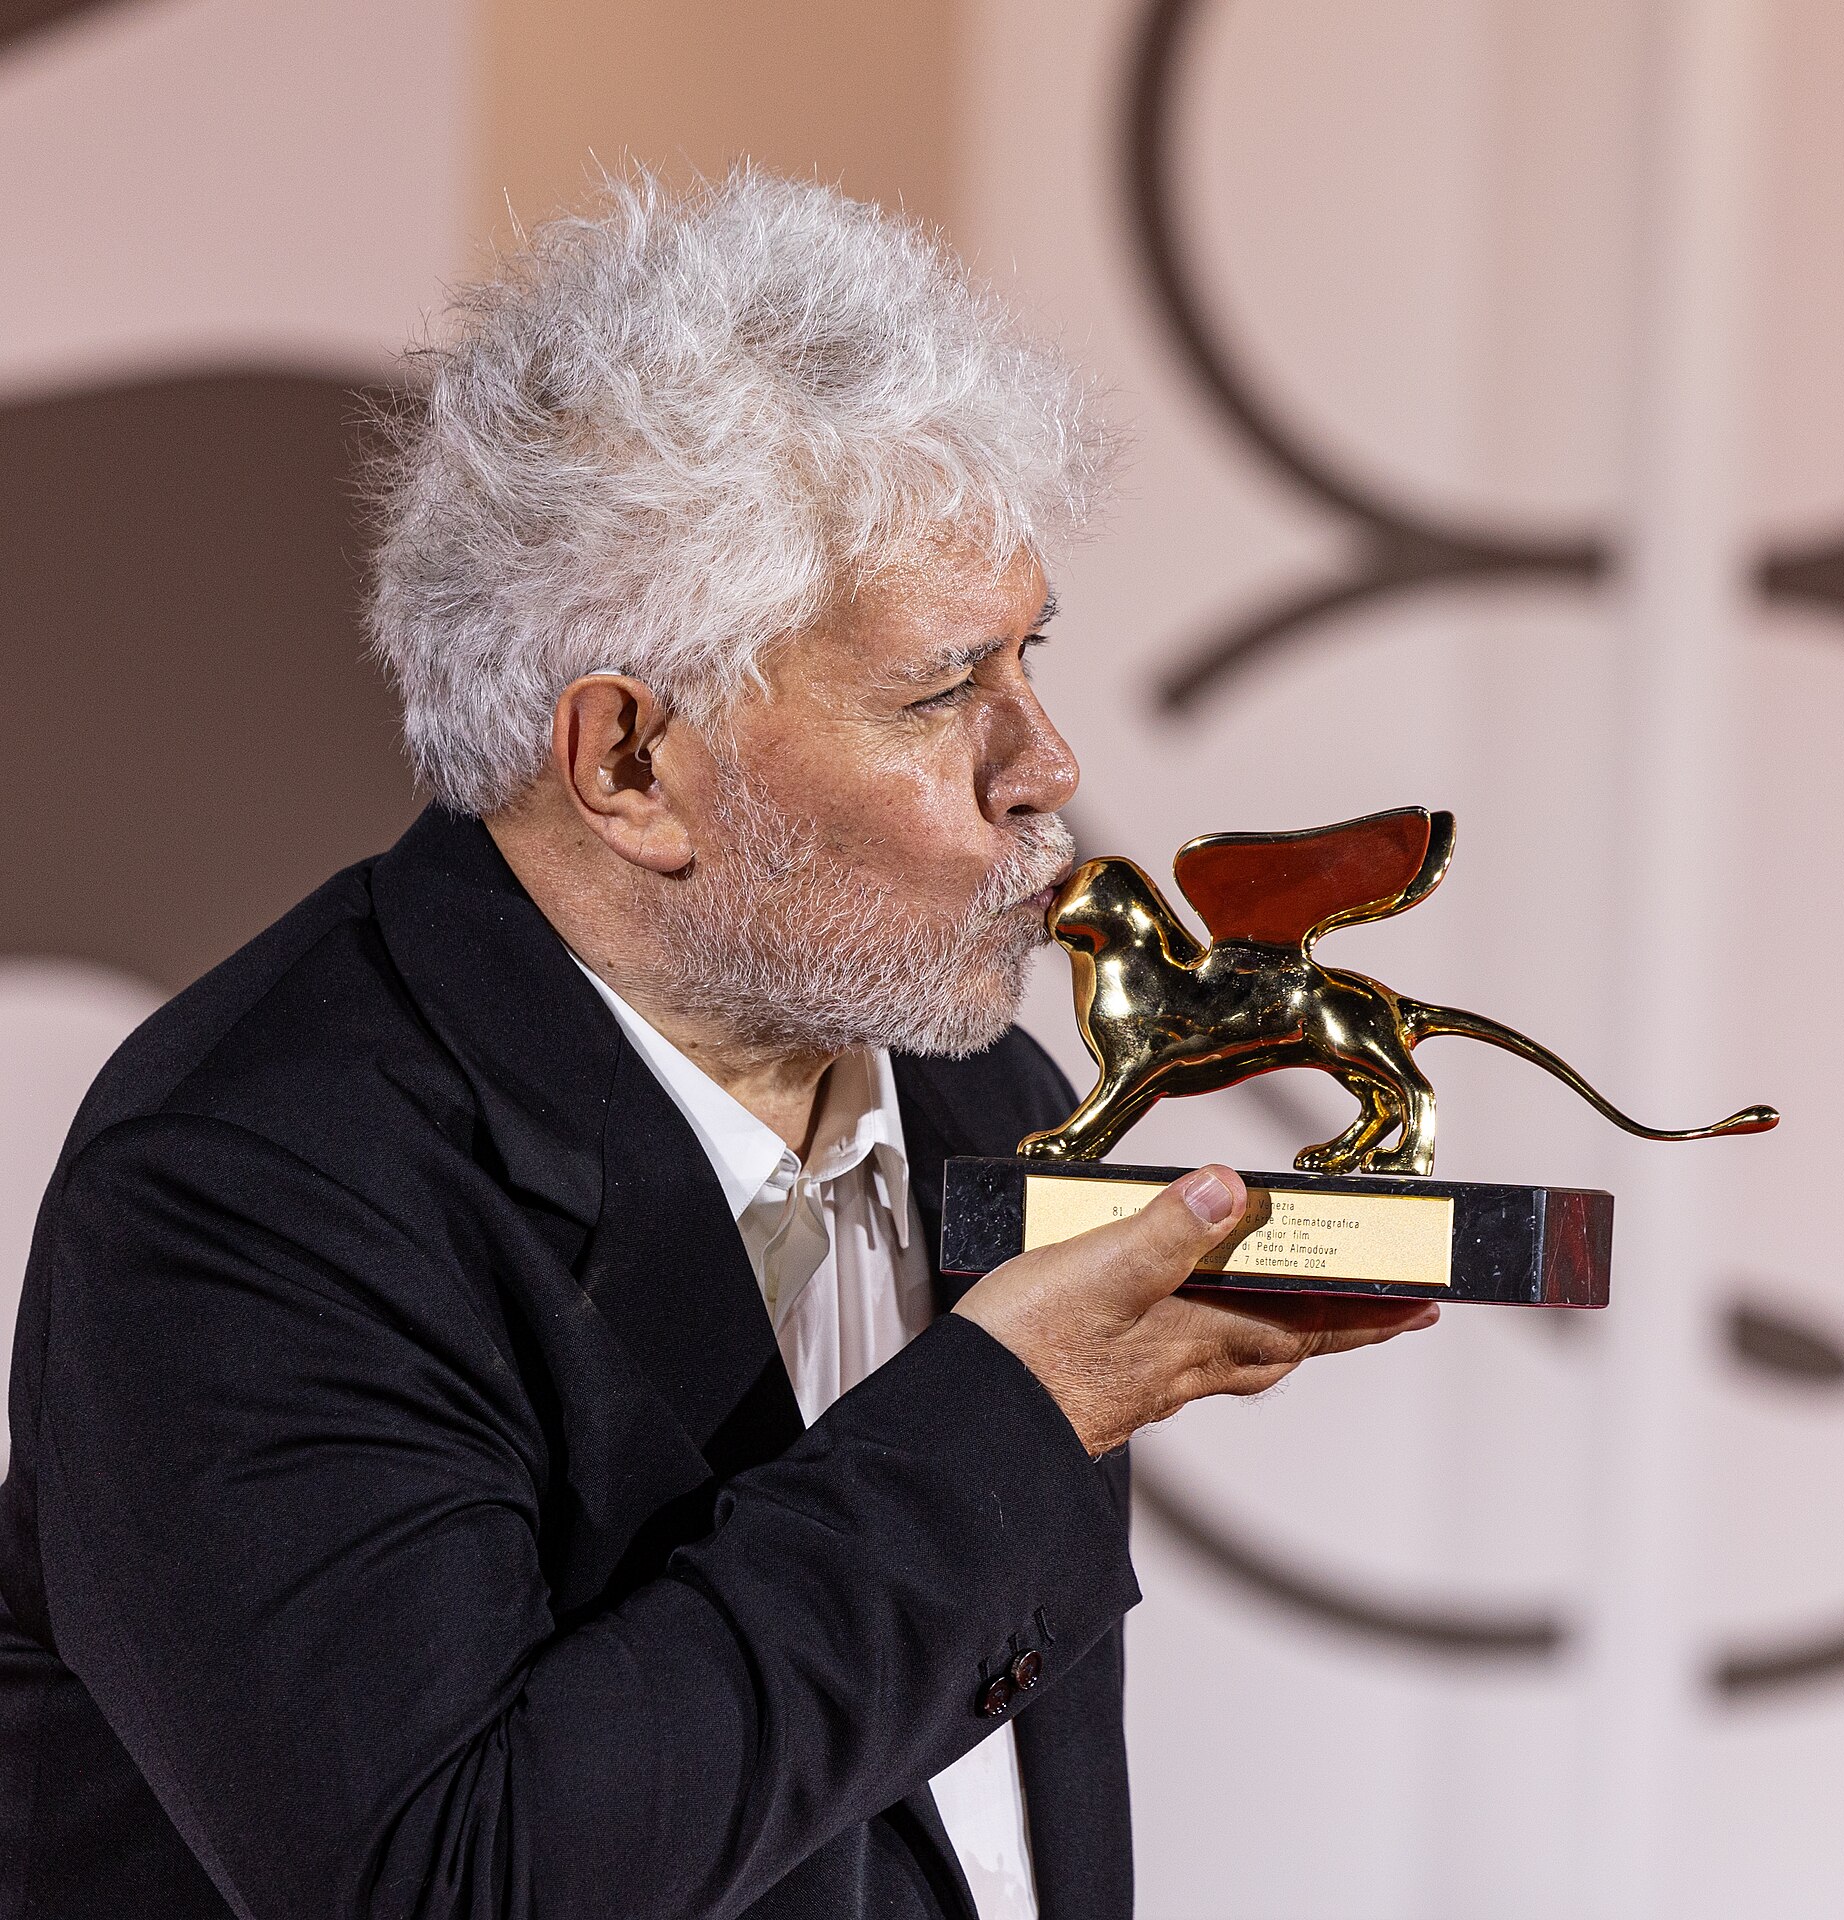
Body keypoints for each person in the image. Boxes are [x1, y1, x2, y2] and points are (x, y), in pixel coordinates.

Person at [0, 169, 1435, 1920]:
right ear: (627, 764)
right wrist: (1018, 1407)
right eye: (939, 692)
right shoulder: (253, 1187)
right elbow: (451, 1887)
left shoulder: (985, 1089)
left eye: (1028, 657)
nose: (1045, 764)